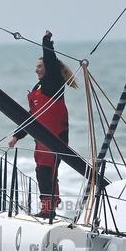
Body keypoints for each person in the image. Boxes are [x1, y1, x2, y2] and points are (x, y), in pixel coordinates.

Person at [8, 30, 76, 218]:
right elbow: (32, 116)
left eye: (39, 66)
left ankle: (49, 208)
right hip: (41, 139)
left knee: (48, 172)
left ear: (48, 68)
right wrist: (17, 135)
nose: (36, 69)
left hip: (56, 136)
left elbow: (51, 61)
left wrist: (46, 41)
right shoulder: (39, 87)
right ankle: (49, 204)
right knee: (41, 171)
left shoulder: (53, 83)